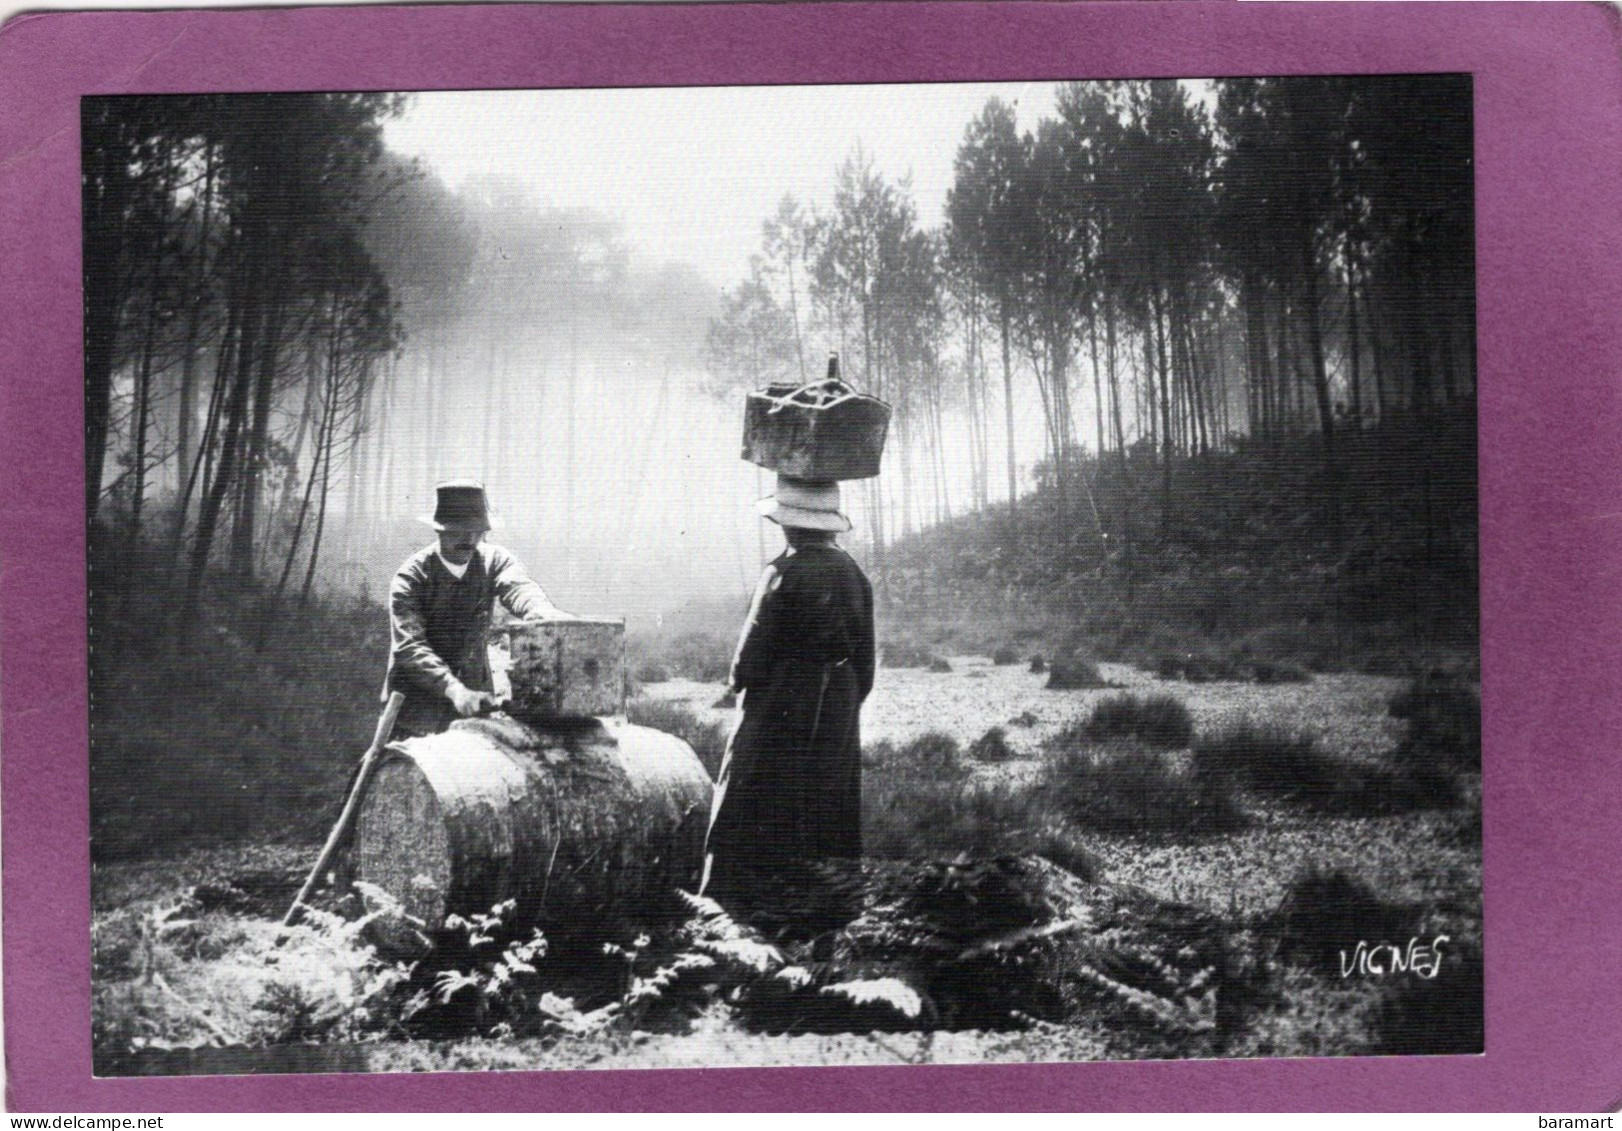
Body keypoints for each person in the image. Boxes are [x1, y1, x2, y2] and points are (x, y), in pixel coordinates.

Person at [703, 475, 876, 905]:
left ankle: (731, 906)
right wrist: (845, 697)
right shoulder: (854, 574)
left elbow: (749, 657)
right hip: (840, 697)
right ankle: (830, 906)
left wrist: (741, 684)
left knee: (750, 788)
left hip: (782, 696)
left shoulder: (781, 572)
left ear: (790, 526)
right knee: (829, 797)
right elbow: (867, 661)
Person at [384, 479, 572, 738]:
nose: (470, 539)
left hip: (473, 705)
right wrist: (454, 690)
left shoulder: (494, 561)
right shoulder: (411, 578)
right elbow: (410, 648)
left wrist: (548, 615)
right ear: (439, 530)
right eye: (459, 531)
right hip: (416, 711)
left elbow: (519, 589)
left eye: (478, 531)